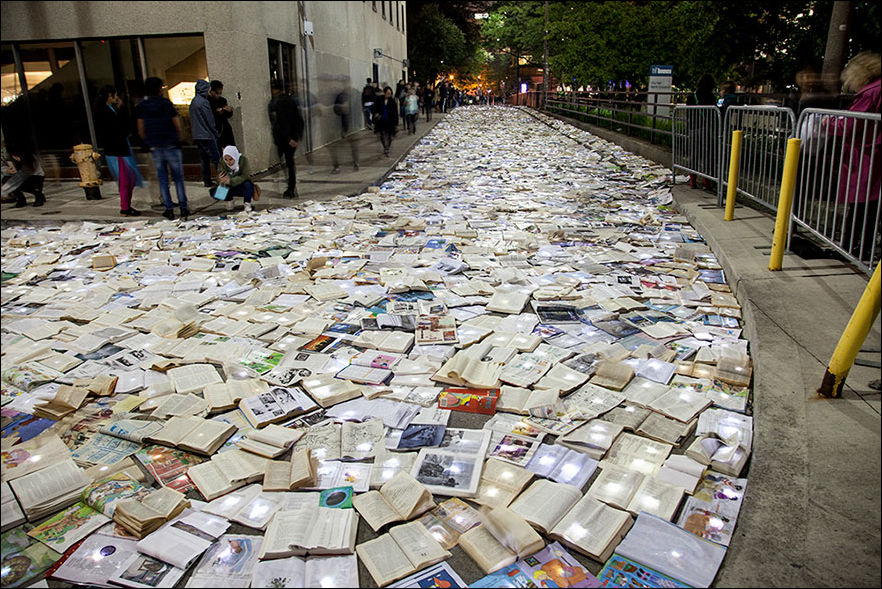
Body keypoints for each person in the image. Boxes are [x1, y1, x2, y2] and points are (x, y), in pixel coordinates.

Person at [836, 51, 881, 261]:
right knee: (870, 205)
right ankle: (861, 247)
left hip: (869, 154)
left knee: (863, 204)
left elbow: (852, 124)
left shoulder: (871, 92)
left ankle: (851, 248)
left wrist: (829, 122)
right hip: (871, 153)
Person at [135, 76, 190, 220]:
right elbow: (177, 124)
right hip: (171, 144)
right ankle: (183, 207)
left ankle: (169, 208)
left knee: (163, 178)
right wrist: (179, 138)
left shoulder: (142, 107)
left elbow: (141, 129)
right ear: (159, 89)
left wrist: (148, 141)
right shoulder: (166, 104)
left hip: (156, 146)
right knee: (178, 178)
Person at [93, 85, 143, 217]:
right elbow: (120, 128)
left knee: (128, 178)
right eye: (115, 95)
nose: (116, 98)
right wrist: (121, 110)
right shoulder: (105, 111)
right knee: (125, 179)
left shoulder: (108, 110)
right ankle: (125, 207)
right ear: (110, 96)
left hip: (118, 148)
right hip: (117, 150)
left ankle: (126, 205)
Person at [269, 81, 305, 198]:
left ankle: (290, 187)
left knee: (288, 163)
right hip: (287, 137)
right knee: (289, 163)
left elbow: (283, 122)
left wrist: (290, 138)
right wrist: (296, 136)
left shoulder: (280, 102)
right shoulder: (286, 101)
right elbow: (298, 119)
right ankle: (290, 186)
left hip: (284, 138)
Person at [685, 73, 717, 190]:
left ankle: (693, 181)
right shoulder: (710, 96)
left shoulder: (691, 96)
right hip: (706, 129)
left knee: (694, 155)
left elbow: (688, 113)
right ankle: (706, 182)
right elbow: (713, 114)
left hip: (693, 129)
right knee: (707, 155)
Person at [189, 79, 220, 188]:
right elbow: (210, 120)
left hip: (197, 135)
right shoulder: (204, 102)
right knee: (217, 159)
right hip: (207, 135)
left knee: (204, 159)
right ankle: (222, 182)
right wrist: (216, 133)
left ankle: (207, 181)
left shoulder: (193, 102)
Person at [214, 145, 256, 214]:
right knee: (215, 191)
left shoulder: (243, 160)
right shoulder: (222, 162)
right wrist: (221, 179)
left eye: (230, 159)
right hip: (229, 185)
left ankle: (247, 203)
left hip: (241, 184)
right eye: (226, 159)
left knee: (248, 184)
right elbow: (220, 173)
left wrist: (231, 180)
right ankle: (229, 200)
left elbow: (245, 175)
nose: (228, 162)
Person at [330, 82, 359, 173]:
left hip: (351, 126)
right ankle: (336, 166)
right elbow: (335, 109)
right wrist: (341, 108)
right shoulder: (340, 96)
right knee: (335, 147)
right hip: (341, 125)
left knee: (353, 146)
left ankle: (355, 163)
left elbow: (357, 109)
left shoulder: (355, 95)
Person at [372, 86, 399, 157]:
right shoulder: (379, 99)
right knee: (382, 135)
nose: (388, 95)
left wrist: (396, 123)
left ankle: (387, 148)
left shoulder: (392, 101)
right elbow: (374, 108)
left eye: (390, 93)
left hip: (390, 121)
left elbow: (395, 112)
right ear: (384, 93)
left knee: (389, 136)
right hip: (381, 120)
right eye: (387, 93)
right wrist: (376, 114)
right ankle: (385, 147)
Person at [209, 80, 235, 149]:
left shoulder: (222, 100)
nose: (218, 95)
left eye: (220, 93)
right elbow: (214, 112)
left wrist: (228, 110)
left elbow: (228, 114)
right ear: (212, 91)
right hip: (216, 129)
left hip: (225, 128)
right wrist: (222, 109)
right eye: (217, 93)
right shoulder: (208, 101)